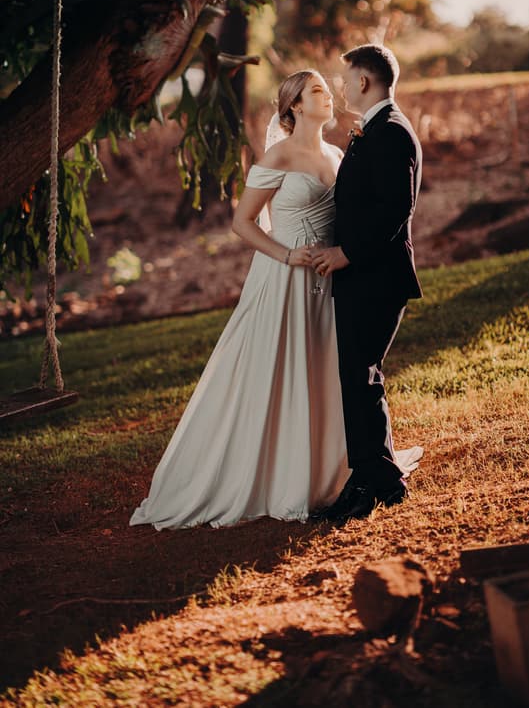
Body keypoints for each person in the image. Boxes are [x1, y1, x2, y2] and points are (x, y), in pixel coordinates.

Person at [130, 70, 351, 528]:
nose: (328, 96)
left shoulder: (336, 153)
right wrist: (289, 255)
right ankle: (262, 474)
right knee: (274, 370)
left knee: (320, 369)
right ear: (293, 105)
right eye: (317, 91)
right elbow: (243, 223)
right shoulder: (279, 155)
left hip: (328, 282)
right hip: (284, 278)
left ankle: (322, 472)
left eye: (328, 91)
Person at [311, 44, 423, 523]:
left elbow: (395, 210)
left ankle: (370, 483)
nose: (340, 86)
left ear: (363, 81)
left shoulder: (392, 132)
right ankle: (379, 478)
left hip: (376, 276)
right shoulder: (372, 129)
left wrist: (346, 253)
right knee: (358, 377)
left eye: (345, 77)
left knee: (360, 376)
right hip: (364, 277)